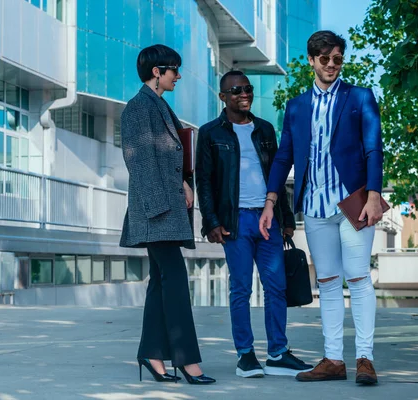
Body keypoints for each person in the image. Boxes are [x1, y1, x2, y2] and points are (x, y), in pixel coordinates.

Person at [259, 31, 384, 385]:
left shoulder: (360, 98)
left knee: (358, 278)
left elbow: (374, 147)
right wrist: (271, 201)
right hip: (314, 206)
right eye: (325, 59)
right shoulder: (297, 106)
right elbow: (284, 156)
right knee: (327, 282)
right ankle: (333, 359)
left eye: (337, 59)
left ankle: (365, 359)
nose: (332, 65)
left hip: (354, 203)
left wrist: (374, 193)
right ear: (312, 61)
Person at [195, 70, 313, 378]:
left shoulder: (264, 129)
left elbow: (276, 175)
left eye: (247, 88)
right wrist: (211, 222)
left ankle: (277, 353)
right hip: (234, 221)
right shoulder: (211, 133)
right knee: (241, 288)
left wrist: (286, 218)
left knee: (277, 286)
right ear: (223, 97)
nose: (243, 94)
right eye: (236, 90)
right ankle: (245, 355)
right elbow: (203, 181)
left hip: (267, 218)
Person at [119, 44, 215, 385]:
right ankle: (187, 361)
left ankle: (151, 354)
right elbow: (140, 164)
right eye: (174, 69)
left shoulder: (158, 106)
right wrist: (160, 209)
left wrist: (186, 184)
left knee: (161, 284)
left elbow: (173, 157)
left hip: (165, 210)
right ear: (157, 71)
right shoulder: (137, 108)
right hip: (155, 213)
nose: (178, 75)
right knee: (174, 283)